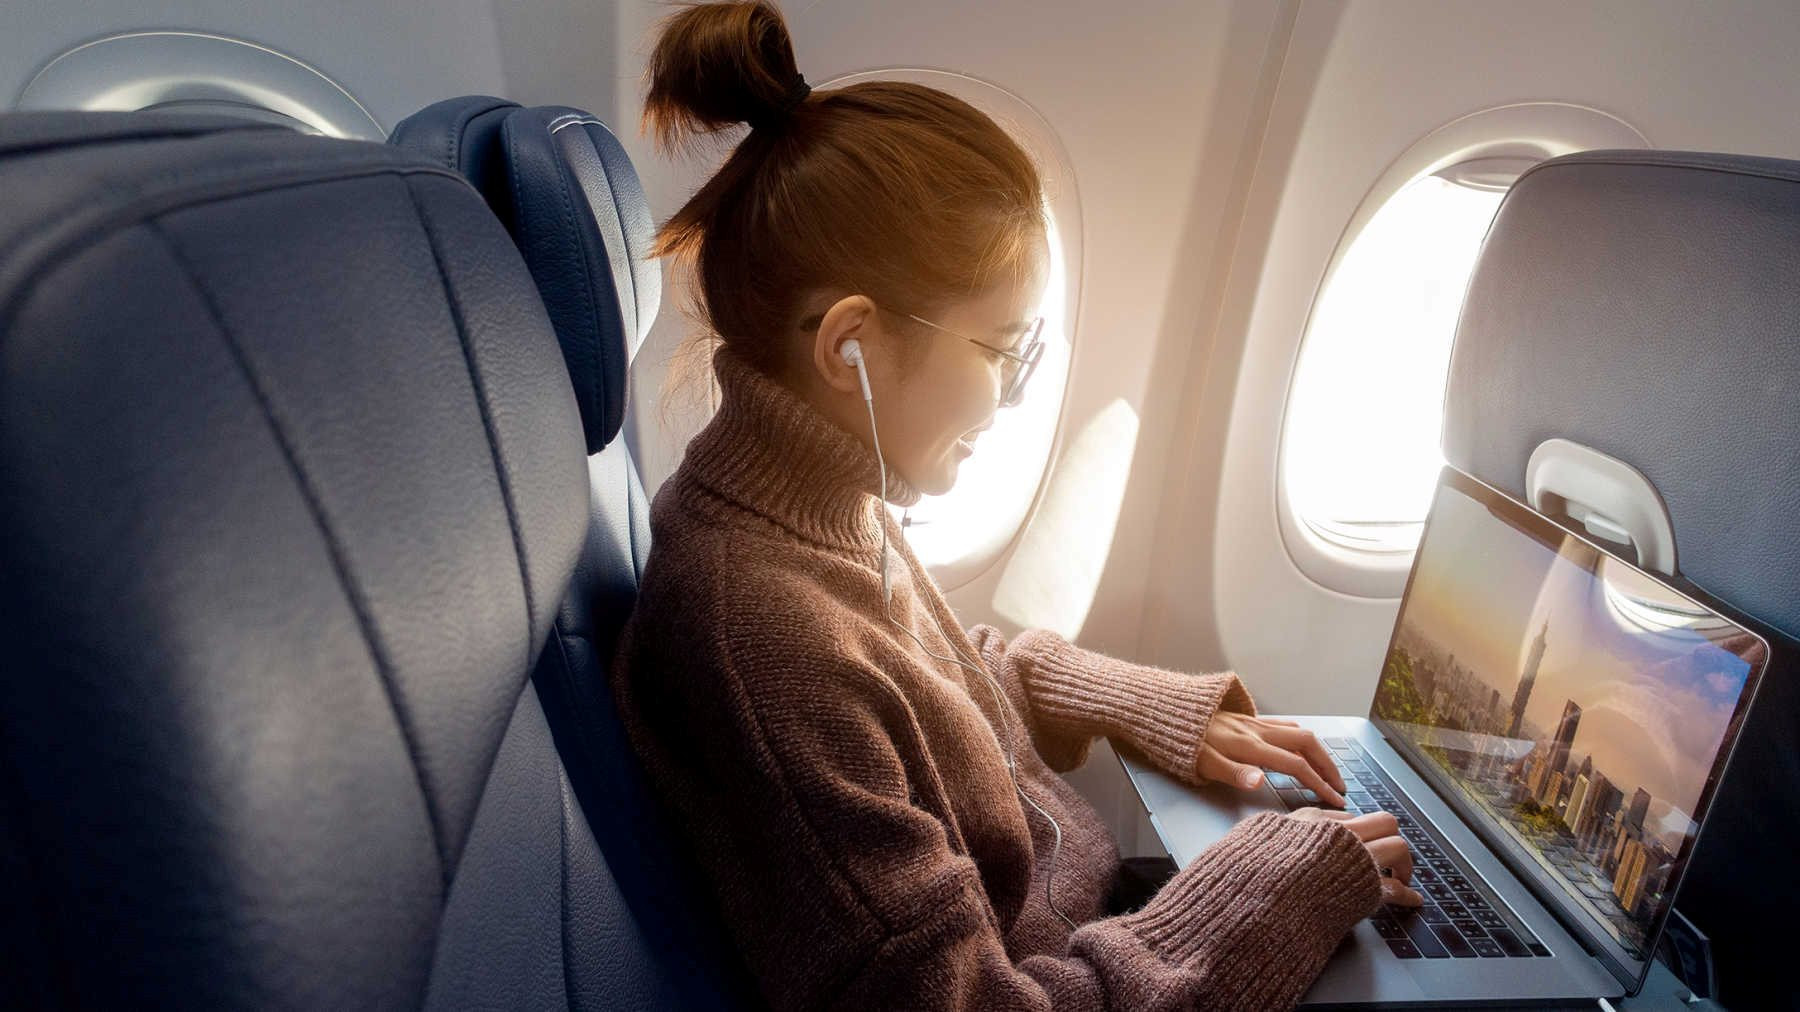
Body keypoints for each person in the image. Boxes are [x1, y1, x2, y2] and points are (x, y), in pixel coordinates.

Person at [611, 3, 1422, 1008]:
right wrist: (1255, 894)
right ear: (849, 347)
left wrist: (1123, 700)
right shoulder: (763, 637)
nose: (1014, 393)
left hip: (1084, 939)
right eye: (1002, 351)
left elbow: (928, 691)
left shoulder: (820, 508)